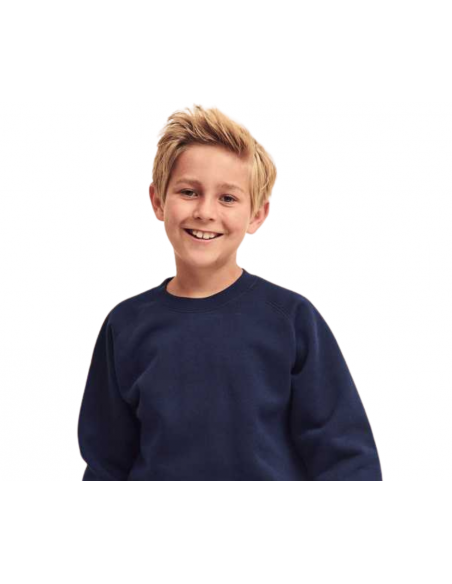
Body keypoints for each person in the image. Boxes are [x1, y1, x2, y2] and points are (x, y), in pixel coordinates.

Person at [77, 104, 383, 481]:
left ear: (256, 215)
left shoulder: (291, 319)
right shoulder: (125, 325)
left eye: (227, 198)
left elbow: (347, 458)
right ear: (158, 201)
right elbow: (106, 464)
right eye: (189, 192)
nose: (205, 212)